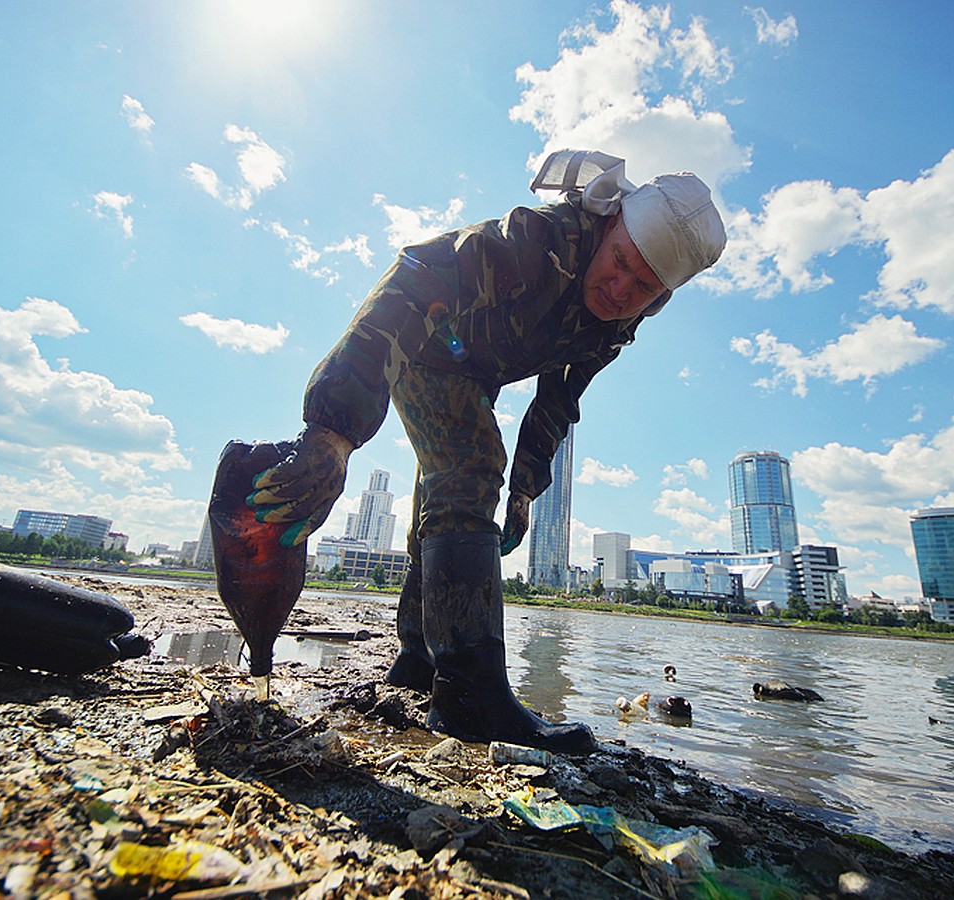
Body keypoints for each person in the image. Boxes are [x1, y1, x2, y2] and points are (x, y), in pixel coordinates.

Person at [246, 150, 726, 755]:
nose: (619, 289)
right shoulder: (532, 240)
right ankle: (471, 694)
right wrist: (334, 430)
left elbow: (558, 400)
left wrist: (526, 487)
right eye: (620, 263)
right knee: (470, 470)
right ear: (608, 227)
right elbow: (413, 277)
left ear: (661, 296)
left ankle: (420, 665)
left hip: (476, 377)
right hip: (425, 346)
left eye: (643, 287)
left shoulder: (617, 324)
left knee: (446, 502)